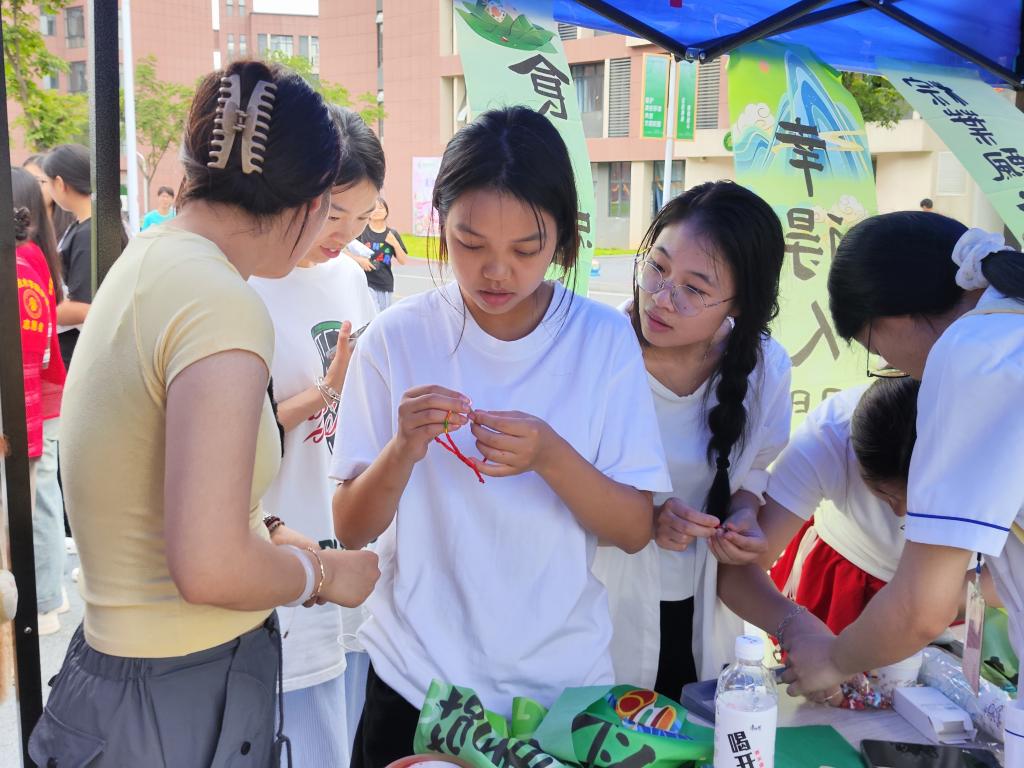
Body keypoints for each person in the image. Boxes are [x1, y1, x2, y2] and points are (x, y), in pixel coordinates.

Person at [29, 60, 380, 768]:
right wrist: (321, 576)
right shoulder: (220, 303)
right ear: (312, 201)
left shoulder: (153, 259)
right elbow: (210, 567)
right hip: (175, 692)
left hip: (121, 678)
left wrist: (271, 529)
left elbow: (152, 467)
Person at [330, 105, 671, 767]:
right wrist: (403, 450)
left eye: (525, 249)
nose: (496, 272)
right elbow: (350, 527)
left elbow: (635, 529)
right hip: (418, 684)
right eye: (470, 243)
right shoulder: (398, 337)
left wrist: (549, 455)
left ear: (563, 239)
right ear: (440, 224)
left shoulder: (602, 340)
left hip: (560, 695)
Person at [779, 213, 1024, 754]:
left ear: (895, 316)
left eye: (875, 349)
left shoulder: (972, 353)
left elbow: (921, 608)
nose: (894, 367)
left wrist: (833, 659)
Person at [592, 181, 791, 697]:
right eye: (657, 267)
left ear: (740, 304)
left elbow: (753, 471)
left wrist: (744, 514)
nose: (661, 299)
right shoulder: (595, 350)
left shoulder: (766, 368)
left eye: (695, 290)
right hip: (599, 608)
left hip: (704, 607)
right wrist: (646, 520)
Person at [249, 105, 382, 768]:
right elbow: (240, 430)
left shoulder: (351, 279)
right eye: (334, 213)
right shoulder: (250, 283)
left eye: (363, 217)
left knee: (346, 722)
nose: (345, 233)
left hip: (347, 539)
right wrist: (327, 391)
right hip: (281, 537)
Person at [12, 166, 69, 635]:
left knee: (37, 501)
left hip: (31, 403)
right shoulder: (37, 256)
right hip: (45, 396)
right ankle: (48, 596)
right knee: (44, 497)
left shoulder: (20, 262)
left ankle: (44, 599)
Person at [41, 144, 94, 368]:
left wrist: (37, 313)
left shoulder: (88, 233)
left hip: (78, 347)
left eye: (45, 182)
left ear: (60, 183)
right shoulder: (83, 225)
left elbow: (84, 306)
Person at [354, 196, 408, 311]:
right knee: (373, 314)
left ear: (386, 212)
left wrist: (395, 244)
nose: (377, 211)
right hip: (365, 282)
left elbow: (403, 261)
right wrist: (360, 260)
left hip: (384, 283)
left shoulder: (392, 233)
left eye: (381, 208)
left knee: (382, 317)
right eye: (374, 208)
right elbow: (345, 252)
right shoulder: (361, 231)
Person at [24, 153, 76, 242]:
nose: (30, 188)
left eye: (39, 181)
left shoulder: (75, 227)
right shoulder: (18, 230)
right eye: (25, 181)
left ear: (58, 184)